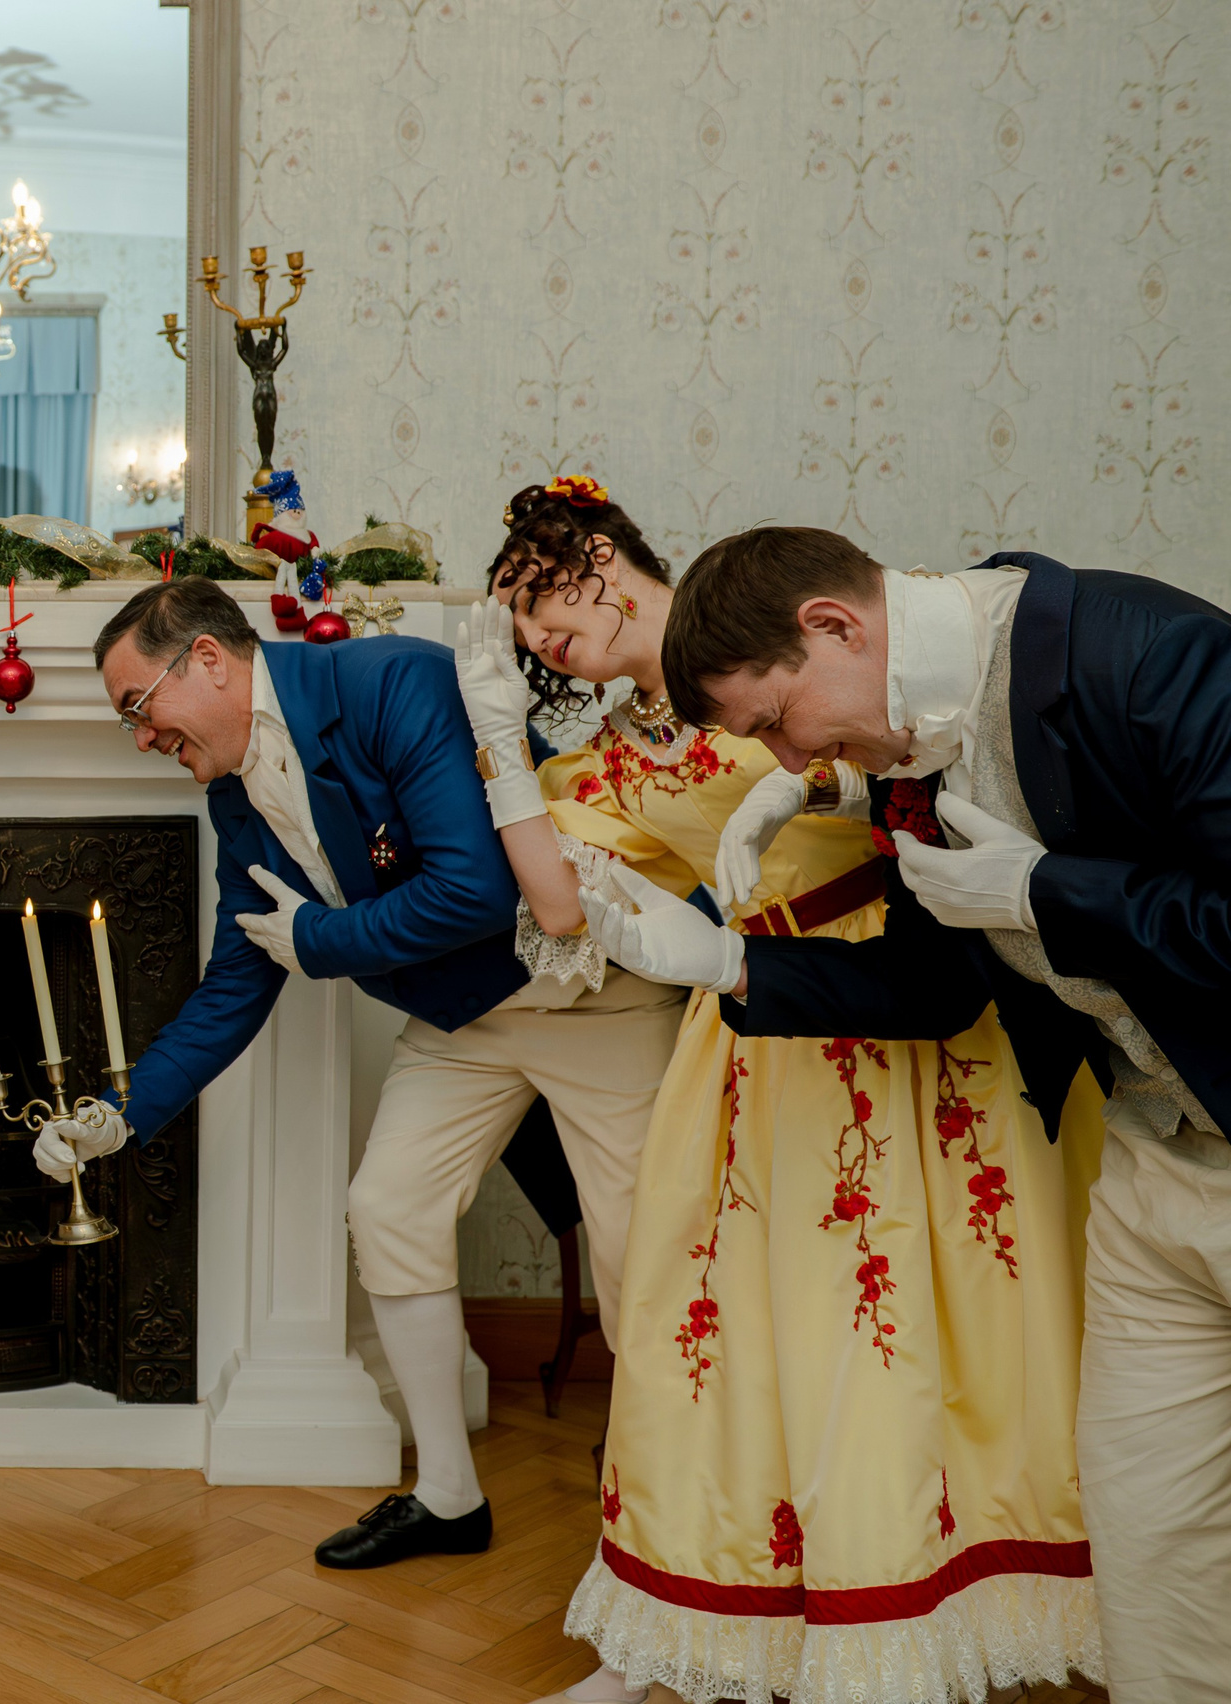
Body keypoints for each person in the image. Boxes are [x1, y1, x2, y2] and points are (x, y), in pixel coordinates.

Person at [455, 487, 1104, 1704]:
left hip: (911, 995)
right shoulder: (611, 761)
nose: (532, 641)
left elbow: (922, 738)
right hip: (755, 1021)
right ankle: (692, 1635)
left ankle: (921, 1607)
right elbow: (555, 906)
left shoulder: (770, 626)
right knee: (711, 1329)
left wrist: (831, 793)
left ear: (599, 559)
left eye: (534, 603)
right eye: (511, 636)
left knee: (925, 1318)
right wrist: (499, 738)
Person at [581, 530, 1227, 1701]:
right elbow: (934, 991)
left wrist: (1045, 892)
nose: (788, 758)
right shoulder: (900, 742)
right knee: (1153, 1549)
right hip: (1154, 1163)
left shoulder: (1148, 655)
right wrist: (727, 961)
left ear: (834, 626)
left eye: (779, 721)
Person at [38, 574, 682, 1570]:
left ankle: (668, 1529)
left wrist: (324, 938)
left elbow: (473, 889)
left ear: (206, 658)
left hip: (590, 1000)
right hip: (461, 1022)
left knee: (642, 1263)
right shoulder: (233, 792)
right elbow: (243, 966)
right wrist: (121, 1114)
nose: (140, 737)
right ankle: (447, 1498)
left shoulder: (391, 683)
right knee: (386, 1209)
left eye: (138, 708)